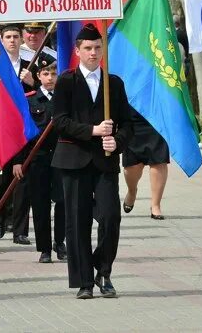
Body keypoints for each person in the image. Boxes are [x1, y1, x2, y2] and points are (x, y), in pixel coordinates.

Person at [51, 23, 132, 299]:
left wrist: (116, 141)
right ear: (77, 51)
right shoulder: (66, 81)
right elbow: (59, 122)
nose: (93, 53)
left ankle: (103, 270)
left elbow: (127, 125)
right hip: (73, 161)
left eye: (98, 48)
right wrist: (93, 131)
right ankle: (85, 281)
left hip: (104, 161)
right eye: (88, 48)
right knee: (78, 222)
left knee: (110, 217)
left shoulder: (114, 83)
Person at [12, 55, 66, 263]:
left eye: (53, 73)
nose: (50, 77)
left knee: (62, 201)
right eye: (46, 74)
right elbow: (21, 132)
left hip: (62, 156)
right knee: (40, 203)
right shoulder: (30, 100)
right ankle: (44, 248)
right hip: (38, 158)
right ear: (37, 76)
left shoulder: (64, 99)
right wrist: (18, 160)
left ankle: (60, 242)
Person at [0, 23, 34, 246]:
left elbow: (45, 91)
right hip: (2, 128)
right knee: (2, 179)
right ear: (1, 40)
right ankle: (0, 220)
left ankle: (20, 230)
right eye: (8, 37)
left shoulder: (31, 65)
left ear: (21, 40)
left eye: (15, 37)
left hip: (25, 128)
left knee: (22, 180)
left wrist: (33, 81)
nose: (12, 40)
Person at [122, 108, 171, 219]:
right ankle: (132, 191)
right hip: (132, 114)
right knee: (132, 166)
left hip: (157, 116)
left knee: (159, 160)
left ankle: (155, 205)